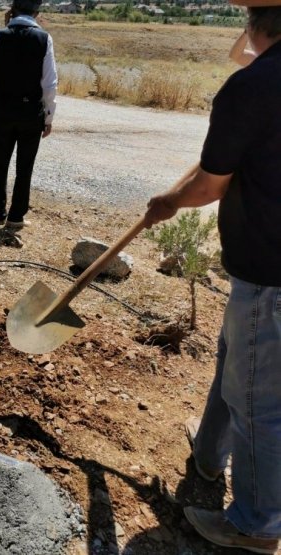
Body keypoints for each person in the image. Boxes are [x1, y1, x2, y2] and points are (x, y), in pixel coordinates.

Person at [145, 7, 281, 554]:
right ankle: (207, 454)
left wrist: (170, 201)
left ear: (253, 20)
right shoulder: (259, 80)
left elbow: (210, 185)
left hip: (268, 272)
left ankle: (256, 525)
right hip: (266, 271)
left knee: (259, 403)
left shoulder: (251, 88)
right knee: (235, 361)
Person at [0, 0, 57, 230]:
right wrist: (49, 117)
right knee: (25, 166)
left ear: (13, 9)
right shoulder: (44, 39)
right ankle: (16, 216)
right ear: (37, 12)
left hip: (3, 108)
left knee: (0, 163)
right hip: (30, 111)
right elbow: (49, 83)